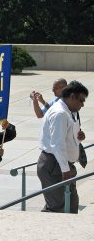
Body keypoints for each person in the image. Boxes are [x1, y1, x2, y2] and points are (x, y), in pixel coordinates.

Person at [37, 80, 88, 214]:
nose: (82, 105)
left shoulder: (68, 111)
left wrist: (78, 135)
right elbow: (57, 144)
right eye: (81, 101)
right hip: (55, 166)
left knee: (71, 206)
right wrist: (65, 171)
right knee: (57, 208)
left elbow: (66, 135)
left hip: (61, 165)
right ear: (72, 97)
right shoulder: (60, 113)